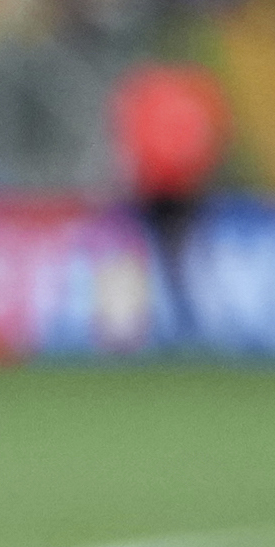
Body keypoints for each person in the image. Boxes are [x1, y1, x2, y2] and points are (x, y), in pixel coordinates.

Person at [109, 57, 230, 345]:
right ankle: (183, 322)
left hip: (154, 188)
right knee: (178, 255)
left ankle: (140, 327)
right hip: (182, 187)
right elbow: (215, 136)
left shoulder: (144, 94)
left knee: (145, 255)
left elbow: (127, 140)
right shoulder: (194, 92)